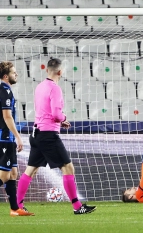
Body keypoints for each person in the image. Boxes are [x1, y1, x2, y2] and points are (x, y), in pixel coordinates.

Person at [16, 58, 96, 214]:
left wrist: (59, 120)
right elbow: (56, 114)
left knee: (31, 170)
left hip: (36, 133)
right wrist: (64, 119)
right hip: (48, 135)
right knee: (68, 167)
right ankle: (77, 207)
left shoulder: (39, 87)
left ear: (47, 70)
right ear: (60, 72)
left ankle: (17, 206)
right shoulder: (55, 88)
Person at [0, 61, 34, 216]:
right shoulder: (5, 92)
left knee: (13, 173)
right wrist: (18, 137)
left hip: (4, 138)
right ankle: (14, 208)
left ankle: (14, 208)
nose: (16, 74)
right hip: (5, 138)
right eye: (13, 72)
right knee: (4, 175)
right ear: (6, 76)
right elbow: (7, 116)